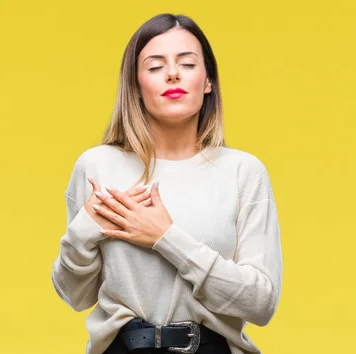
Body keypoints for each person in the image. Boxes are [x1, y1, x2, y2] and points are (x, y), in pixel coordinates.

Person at [50, 13, 283, 354]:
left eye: (187, 64)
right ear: (136, 85)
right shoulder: (98, 166)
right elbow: (75, 295)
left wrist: (165, 238)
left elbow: (261, 303)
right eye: (155, 66)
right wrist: (85, 228)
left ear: (208, 81)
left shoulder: (243, 172)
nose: (172, 74)